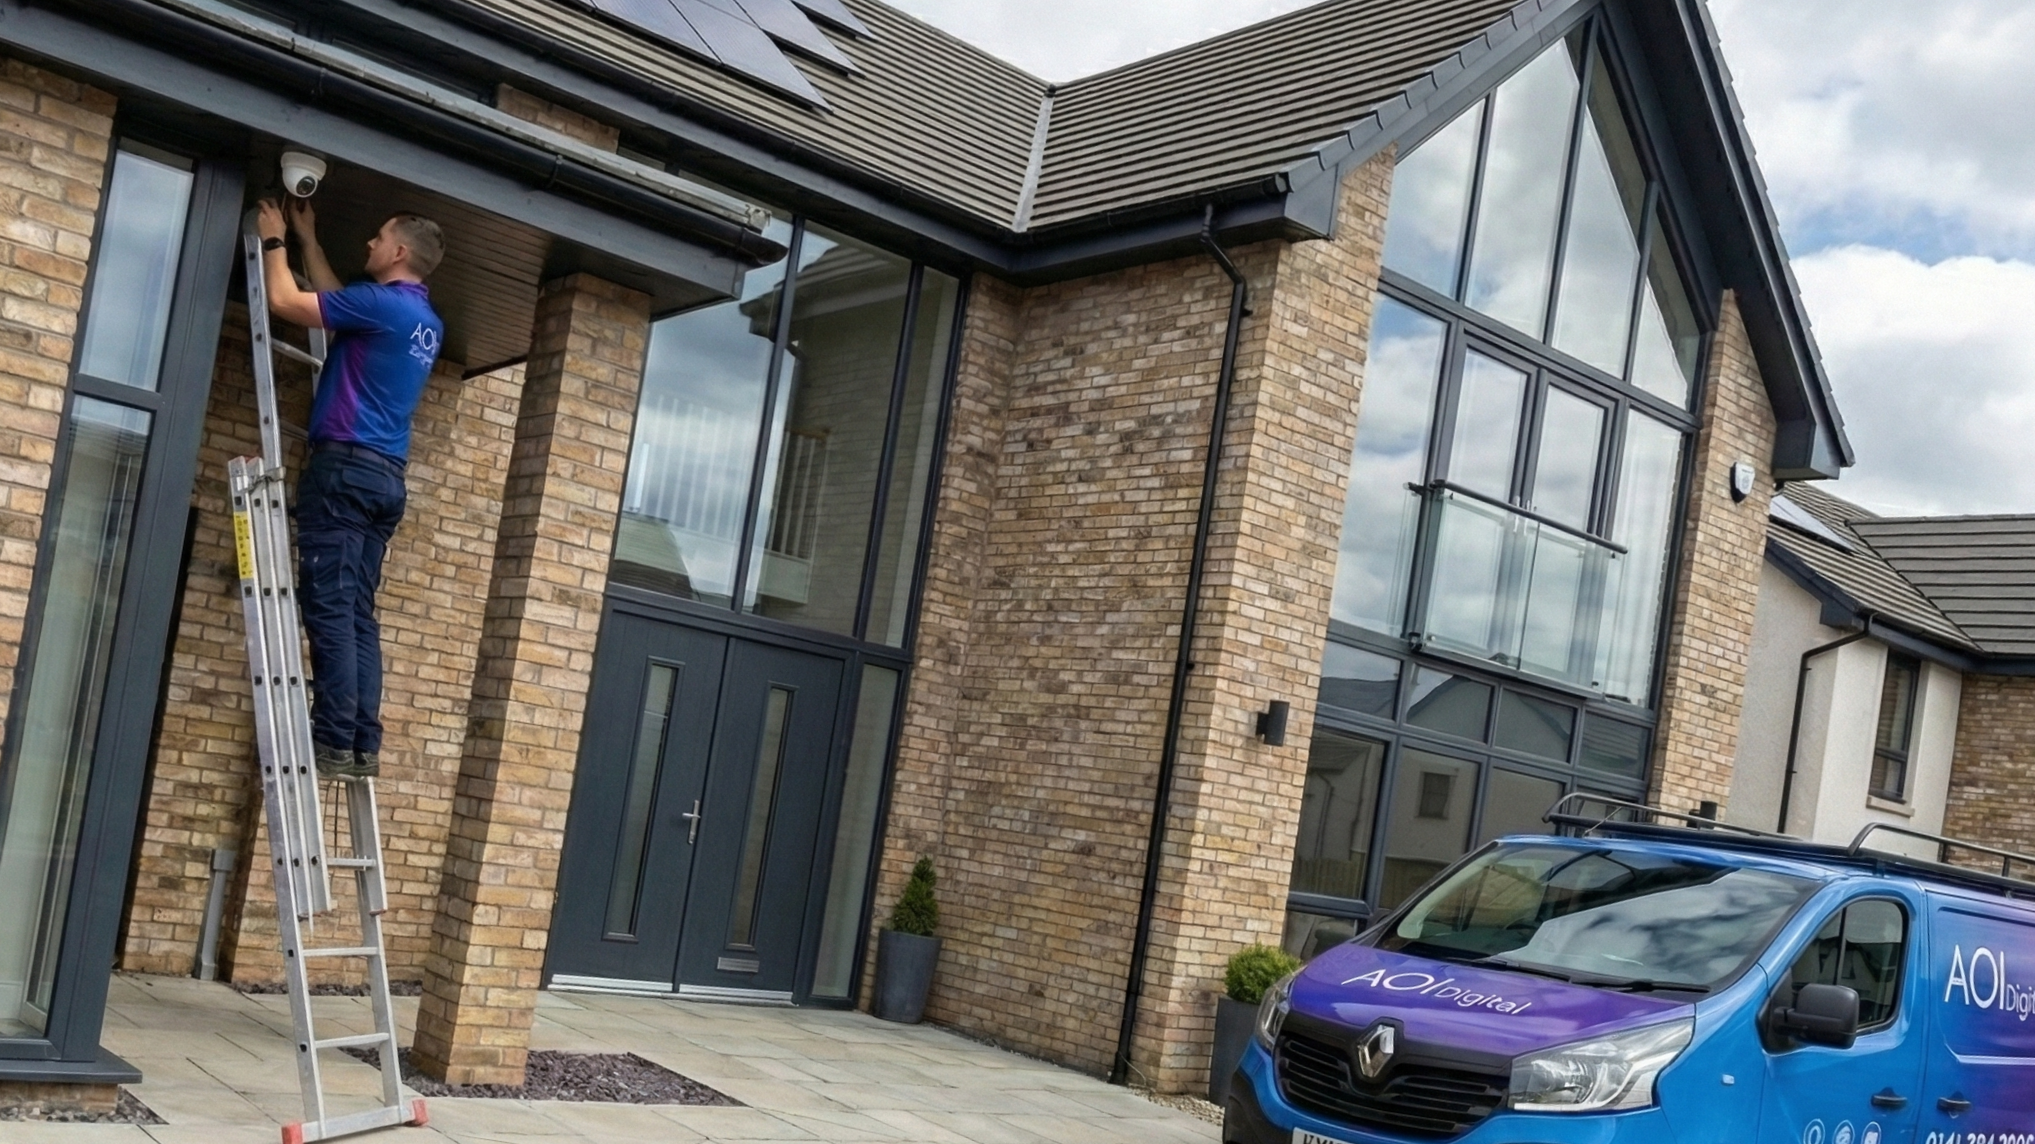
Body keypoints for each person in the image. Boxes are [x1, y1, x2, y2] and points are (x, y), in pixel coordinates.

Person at [255, 196, 445, 780]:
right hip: (384, 477)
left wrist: (273, 241)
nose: (368, 243)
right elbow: (342, 306)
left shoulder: (380, 306)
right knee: (358, 614)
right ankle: (360, 743)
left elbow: (287, 302)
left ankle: (333, 740)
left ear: (399, 251)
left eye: (377, 234)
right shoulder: (421, 320)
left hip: (343, 472)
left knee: (332, 610)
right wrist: (310, 242)